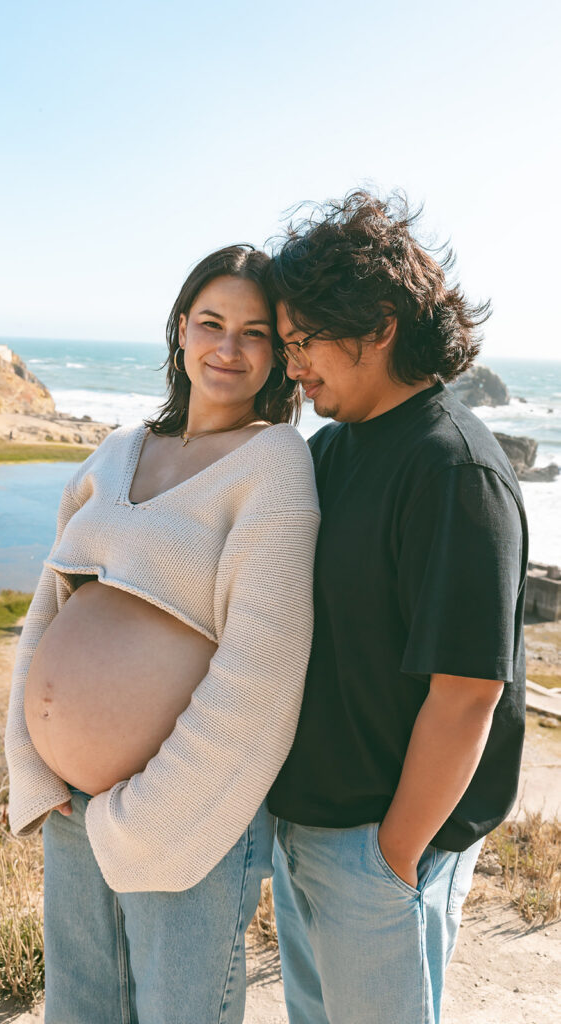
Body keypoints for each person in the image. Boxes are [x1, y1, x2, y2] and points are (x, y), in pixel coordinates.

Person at [4, 244, 320, 1024]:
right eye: (210, 322)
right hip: (70, 805)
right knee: (78, 1011)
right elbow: (47, 611)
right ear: (180, 330)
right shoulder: (117, 452)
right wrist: (33, 769)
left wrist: (145, 810)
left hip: (183, 809)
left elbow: (263, 671)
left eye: (255, 333)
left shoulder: (272, 463)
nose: (228, 348)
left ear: (279, 355)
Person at [266, 192, 528, 1024]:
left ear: (379, 325)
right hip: (313, 826)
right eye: (285, 343)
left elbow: (467, 693)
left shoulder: (451, 468)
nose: (292, 364)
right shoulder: (333, 446)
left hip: (381, 841)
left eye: (305, 340)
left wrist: (392, 857)